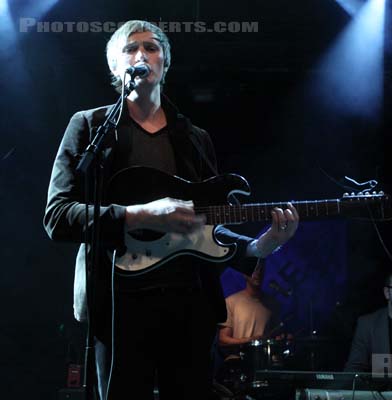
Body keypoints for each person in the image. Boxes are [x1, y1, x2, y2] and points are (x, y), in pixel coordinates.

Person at [43, 20, 299, 400]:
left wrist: (261, 246)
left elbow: (206, 227)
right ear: (115, 66)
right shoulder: (90, 127)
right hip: (118, 306)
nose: (141, 54)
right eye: (130, 48)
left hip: (189, 306)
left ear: (165, 62)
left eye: (151, 47)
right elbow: (58, 216)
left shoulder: (194, 139)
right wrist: (141, 215)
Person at [218, 259, 282, 347]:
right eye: (255, 269)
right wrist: (249, 341)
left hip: (264, 358)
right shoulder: (231, 301)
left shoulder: (272, 303)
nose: (258, 272)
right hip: (237, 358)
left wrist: (281, 339)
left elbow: (276, 335)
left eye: (261, 269)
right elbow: (223, 339)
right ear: (244, 273)